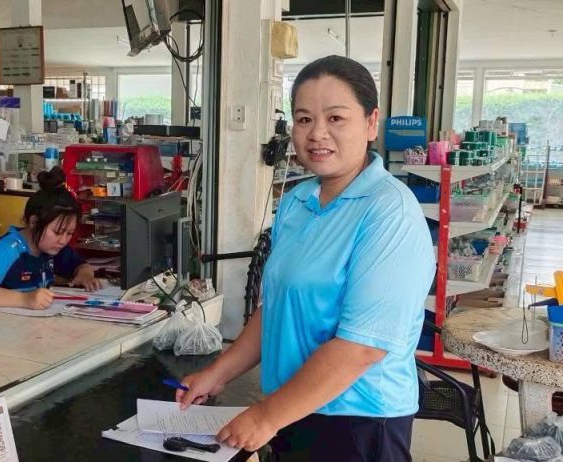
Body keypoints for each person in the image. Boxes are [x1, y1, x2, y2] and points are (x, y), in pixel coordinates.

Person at [177, 55, 435, 461]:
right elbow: (275, 308)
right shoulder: (297, 202)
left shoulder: (390, 213)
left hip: (357, 421)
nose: (317, 134)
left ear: (371, 123)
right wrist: (217, 373)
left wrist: (266, 417)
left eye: (336, 118)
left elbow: (362, 347)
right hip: (292, 406)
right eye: (303, 119)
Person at [0, 167, 102, 309]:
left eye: (69, 233)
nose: (63, 240)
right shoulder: (5, 250)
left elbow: (81, 265)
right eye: (57, 232)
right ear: (34, 222)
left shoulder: (53, 248)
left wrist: (85, 275)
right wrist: (24, 299)